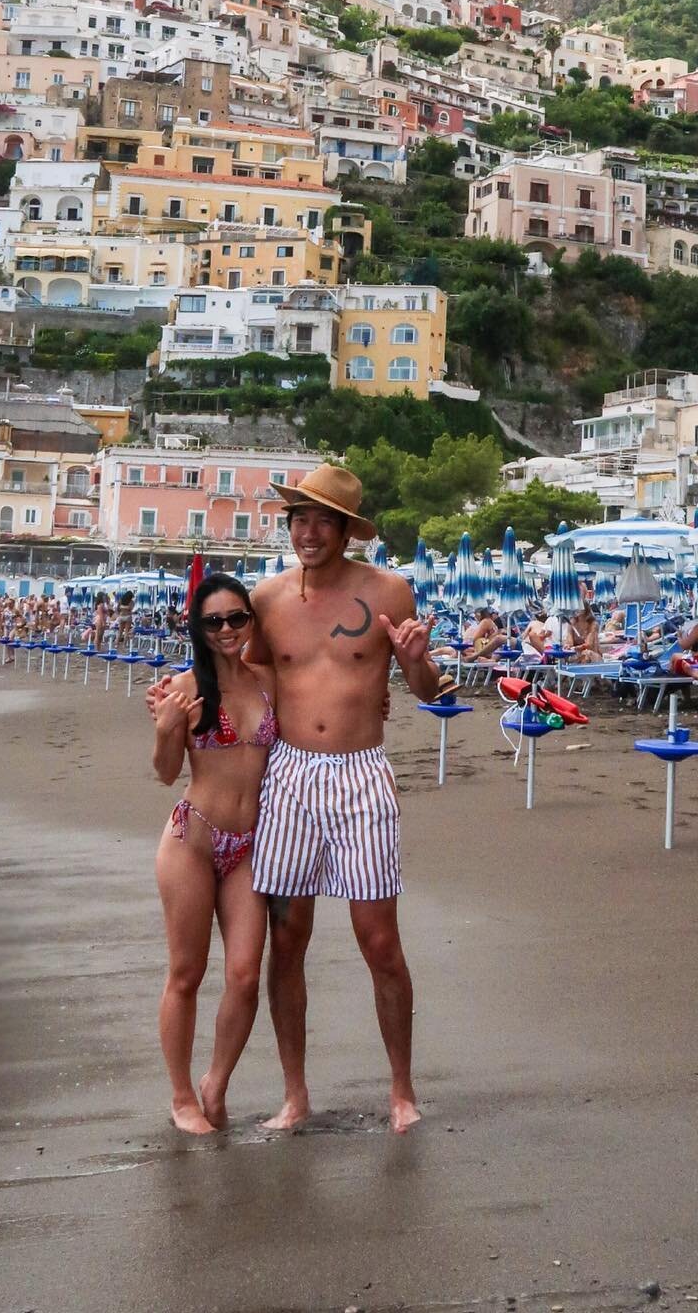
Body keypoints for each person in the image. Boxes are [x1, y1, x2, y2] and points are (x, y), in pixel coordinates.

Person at [246, 464, 446, 1134]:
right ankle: (294, 1093)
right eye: (298, 518)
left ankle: (402, 1091)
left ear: (345, 530)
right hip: (290, 775)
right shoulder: (266, 599)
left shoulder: (390, 590)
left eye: (321, 520)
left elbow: (427, 690)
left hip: (361, 775)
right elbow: (244, 682)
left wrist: (416, 659)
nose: (307, 531)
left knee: (380, 942)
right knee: (287, 935)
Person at [147, 574, 278, 1133]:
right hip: (193, 842)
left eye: (237, 618)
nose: (227, 630)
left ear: (251, 620)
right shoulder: (183, 688)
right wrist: (166, 729)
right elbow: (164, 772)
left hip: (249, 847)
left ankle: (215, 1082)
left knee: (245, 975)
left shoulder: (270, 680)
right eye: (213, 621)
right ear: (197, 628)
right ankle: (181, 1098)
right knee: (187, 972)